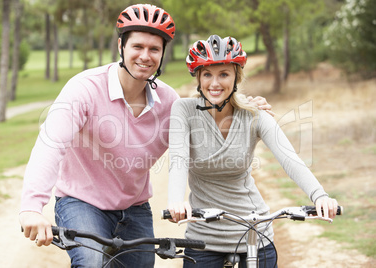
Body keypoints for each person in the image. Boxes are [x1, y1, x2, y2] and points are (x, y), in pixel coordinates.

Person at [19, 4, 271, 267]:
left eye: (154, 49)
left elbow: (206, 129)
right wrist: (31, 208)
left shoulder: (169, 102)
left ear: (162, 54)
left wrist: (242, 109)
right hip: (82, 202)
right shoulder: (84, 89)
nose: (145, 56)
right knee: (91, 262)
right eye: (137, 46)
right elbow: (50, 146)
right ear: (121, 47)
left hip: (134, 207)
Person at [166, 35, 339, 268]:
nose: (214, 83)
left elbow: (289, 158)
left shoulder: (254, 113)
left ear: (236, 76)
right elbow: (178, 159)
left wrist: (320, 196)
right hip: (203, 233)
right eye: (207, 74)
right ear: (198, 77)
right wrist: (176, 202)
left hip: (253, 230)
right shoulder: (183, 110)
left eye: (223, 74)